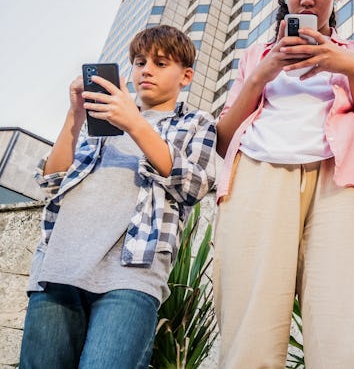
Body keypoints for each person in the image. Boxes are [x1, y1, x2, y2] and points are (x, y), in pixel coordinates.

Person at [213, 0, 354, 368]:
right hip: (257, 175)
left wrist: (348, 67)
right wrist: (265, 70)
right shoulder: (256, 55)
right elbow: (222, 138)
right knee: (249, 329)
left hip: (342, 183)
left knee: (346, 327)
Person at [20, 25, 217, 369]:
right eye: (140, 62)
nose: (146, 70)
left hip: (131, 274)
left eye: (160, 63)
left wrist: (135, 124)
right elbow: (52, 181)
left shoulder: (195, 123)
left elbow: (194, 185)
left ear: (186, 76)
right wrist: (76, 114)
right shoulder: (103, 119)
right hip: (59, 265)